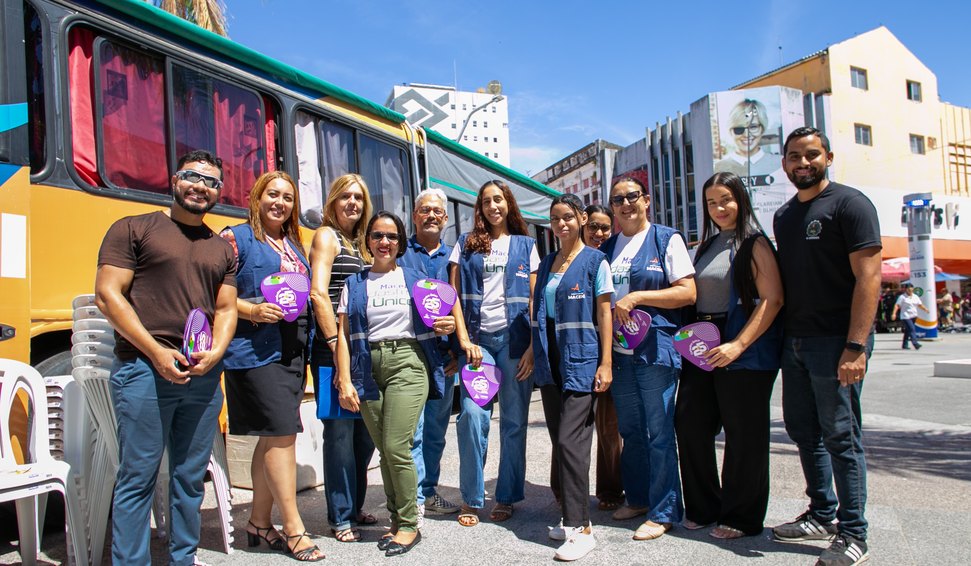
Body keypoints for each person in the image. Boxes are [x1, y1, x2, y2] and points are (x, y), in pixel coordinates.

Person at [95, 150, 237, 566]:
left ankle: (183, 558)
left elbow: (226, 308)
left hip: (203, 377)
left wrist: (216, 353)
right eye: (193, 177)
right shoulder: (133, 228)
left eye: (211, 182)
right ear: (175, 180)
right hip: (143, 370)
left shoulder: (221, 249)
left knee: (190, 479)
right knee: (137, 477)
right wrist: (156, 352)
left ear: (219, 192)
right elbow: (108, 295)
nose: (201, 187)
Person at [772, 127, 882, 566]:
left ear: (828, 157)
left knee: (841, 436)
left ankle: (854, 532)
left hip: (837, 342)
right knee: (803, 431)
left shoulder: (850, 204)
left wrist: (856, 345)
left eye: (811, 154)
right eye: (794, 156)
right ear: (784, 163)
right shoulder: (784, 216)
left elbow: (869, 278)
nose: (803, 163)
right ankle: (821, 513)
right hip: (795, 340)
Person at [334, 211, 456, 557]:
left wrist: (446, 326)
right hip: (366, 365)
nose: (384, 242)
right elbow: (343, 335)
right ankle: (397, 519)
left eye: (391, 236)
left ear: (401, 242)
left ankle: (409, 524)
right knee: (385, 450)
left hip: (408, 362)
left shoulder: (416, 279)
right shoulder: (354, 283)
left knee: (396, 445)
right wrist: (344, 380)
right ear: (368, 241)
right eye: (377, 235)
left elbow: (443, 315)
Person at [674, 172, 784, 540]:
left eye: (726, 200)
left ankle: (741, 517)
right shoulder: (706, 245)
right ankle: (704, 507)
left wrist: (738, 344)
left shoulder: (754, 242)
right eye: (711, 202)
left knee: (744, 433)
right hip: (702, 345)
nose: (719, 208)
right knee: (689, 423)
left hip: (743, 347)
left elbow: (772, 299)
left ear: (741, 199)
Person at [219, 172, 323, 561]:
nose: (280, 202)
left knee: (271, 436)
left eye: (288, 197)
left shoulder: (293, 243)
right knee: (282, 433)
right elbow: (212, 290)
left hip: (291, 350)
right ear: (257, 197)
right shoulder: (236, 238)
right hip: (255, 349)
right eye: (273, 194)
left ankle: (259, 523)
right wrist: (251, 310)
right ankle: (294, 528)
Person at [602, 176, 696, 541]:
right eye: (618, 200)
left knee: (659, 432)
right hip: (619, 353)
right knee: (630, 431)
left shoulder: (665, 239)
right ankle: (639, 498)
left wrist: (638, 297)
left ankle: (664, 511)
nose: (625, 204)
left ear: (646, 200)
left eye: (632, 196)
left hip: (655, 350)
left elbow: (688, 292)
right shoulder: (609, 247)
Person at [449, 179, 539, 526]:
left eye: (498, 199)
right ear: (480, 208)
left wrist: (532, 346)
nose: (493, 206)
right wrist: (464, 341)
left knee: (514, 422)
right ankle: (472, 497)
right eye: (486, 201)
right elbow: (453, 297)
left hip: (515, 343)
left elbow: (534, 300)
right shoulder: (465, 244)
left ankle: (506, 496)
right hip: (478, 345)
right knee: (472, 415)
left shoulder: (526, 245)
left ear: (508, 203)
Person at [533, 194, 614, 561]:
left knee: (571, 442)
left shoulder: (596, 261)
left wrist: (605, 363)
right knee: (560, 441)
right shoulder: (547, 262)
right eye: (555, 218)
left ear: (582, 218)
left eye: (567, 216)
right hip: (550, 359)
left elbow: (605, 313)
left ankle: (581, 529)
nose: (561, 224)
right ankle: (570, 517)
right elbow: (539, 312)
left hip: (581, 358)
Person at [308, 173, 376, 542]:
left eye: (359, 198)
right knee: (339, 434)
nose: (352, 203)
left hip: (361, 350)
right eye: (345, 196)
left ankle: (355, 505)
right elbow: (318, 294)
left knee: (364, 436)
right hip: (332, 348)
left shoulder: (362, 244)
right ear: (333, 201)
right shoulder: (327, 237)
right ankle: (340, 517)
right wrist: (336, 345)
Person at [398, 189, 461, 522]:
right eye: (425, 210)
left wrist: (458, 347)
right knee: (412, 431)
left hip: (444, 359)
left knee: (436, 431)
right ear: (414, 216)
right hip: (410, 355)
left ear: (446, 218)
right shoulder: (399, 252)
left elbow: (466, 305)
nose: (431, 215)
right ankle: (414, 499)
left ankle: (429, 490)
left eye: (437, 211)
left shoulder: (455, 257)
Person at [582, 204, 625, 511]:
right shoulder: (568, 257)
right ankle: (567, 491)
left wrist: (606, 359)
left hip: (611, 348)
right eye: (593, 226)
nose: (599, 233)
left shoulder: (613, 258)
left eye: (605, 228)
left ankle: (610, 490)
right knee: (575, 425)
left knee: (610, 425)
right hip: (578, 349)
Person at [714, 98, 783, 183]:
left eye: (753, 127)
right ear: (730, 131)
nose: (746, 135)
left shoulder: (780, 163)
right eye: (739, 129)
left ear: (762, 128)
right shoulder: (719, 167)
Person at [892, 283, 929, 349]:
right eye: (908, 289)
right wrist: (894, 313)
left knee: (908, 330)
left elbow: (919, 305)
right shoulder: (902, 297)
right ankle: (915, 343)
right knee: (912, 329)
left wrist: (925, 309)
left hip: (913, 316)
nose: (910, 290)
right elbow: (897, 305)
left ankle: (904, 345)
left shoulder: (915, 296)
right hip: (905, 316)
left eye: (911, 289)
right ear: (906, 289)